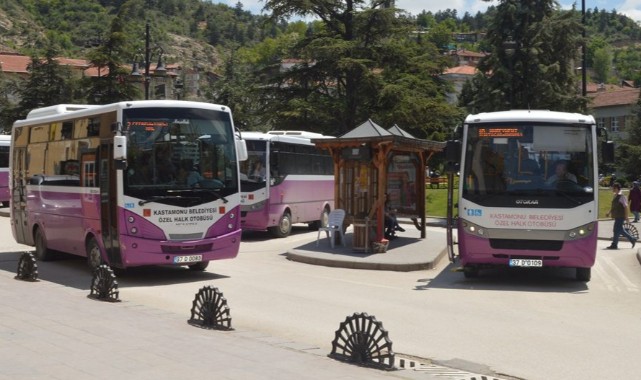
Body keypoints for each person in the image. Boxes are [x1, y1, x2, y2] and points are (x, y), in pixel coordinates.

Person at [605, 182, 637, 249]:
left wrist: (626, 217)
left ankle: (614, 244)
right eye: (613, 188)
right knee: (620, 230)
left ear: (617, 189)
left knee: (616, 230)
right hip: (617, 216)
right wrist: (609, 212)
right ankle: (632, 239)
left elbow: (626, 207)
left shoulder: (622, 196)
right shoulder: (615, 196)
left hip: (621, 216)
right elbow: (614, 206)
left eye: (614, 188)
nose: (613, 189)